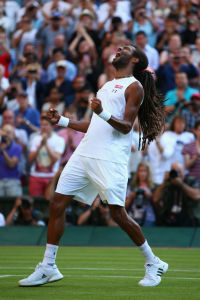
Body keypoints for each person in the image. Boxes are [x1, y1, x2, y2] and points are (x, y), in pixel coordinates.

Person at [19, 44, 168, 288]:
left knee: (118, 214)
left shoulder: (135, 87)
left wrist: (103, 113)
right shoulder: (106, 85)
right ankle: (48, 266)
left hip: (109, 158)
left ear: (136, 60)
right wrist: (63, 121)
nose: (119, 48)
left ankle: (154, 262)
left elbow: (126, 126)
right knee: (57, 203)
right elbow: (95, 125)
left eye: (126, 48)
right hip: (84, 153)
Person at [153, 162, 200, 226]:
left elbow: (197, 196)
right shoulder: (168, 183)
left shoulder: (191, 181)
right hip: (168, 219)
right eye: (174, 171)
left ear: (184, 172)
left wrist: (181, 184)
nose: (177, 174)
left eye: (179, 171)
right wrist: (164, 182)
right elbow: (155, 199)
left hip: (189, 219)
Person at [0, 124, 22, 196]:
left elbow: (11, 164)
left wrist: (3, 151)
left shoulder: (17, 147)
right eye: (4, 132)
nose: (6, 134)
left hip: (12, 181)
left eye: (8, 132)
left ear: (13, 135)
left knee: (14, 203)